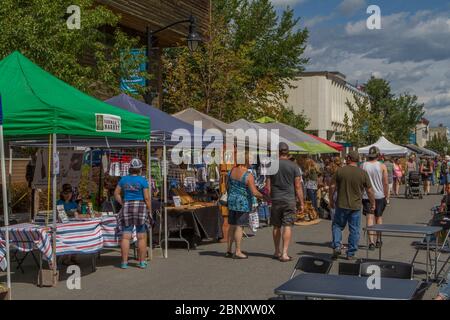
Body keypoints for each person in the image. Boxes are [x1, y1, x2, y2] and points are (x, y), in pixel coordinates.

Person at [329, 151, 375, 260]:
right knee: (354, 230)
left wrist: (331, 200)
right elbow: (369, 190)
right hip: (355, 206)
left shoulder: (340, 171)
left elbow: (332, 186)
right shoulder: (362, 173)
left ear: (349, 158)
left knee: (337, 226)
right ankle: (351, 253)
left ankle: (336, 246)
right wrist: (373, 202)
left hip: (341, 204)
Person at [266, 142, 304, 262]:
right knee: (287, 225)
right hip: (289, 199)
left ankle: (276, 251)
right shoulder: (294, 166)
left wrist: (269, 198)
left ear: (278, 151)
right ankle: (284, 253)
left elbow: (268, 186)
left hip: (276, 199)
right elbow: (298, 186)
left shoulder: (272, 165)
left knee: (276, 226)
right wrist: (302, 202)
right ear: (288, 152)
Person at [225, 153, 265, 259]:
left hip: (231, 200)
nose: (252, 162)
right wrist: (265, 197)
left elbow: (227, 186)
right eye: (251, 159)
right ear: (246, 160)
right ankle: (238, 251)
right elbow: (254, 192)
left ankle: (228, 250)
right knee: (239, 226)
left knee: (232, 225)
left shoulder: (231, 171)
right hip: (242, 203)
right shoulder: (248, 175)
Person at [114, 158, 152, 269]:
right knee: (141, 236)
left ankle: (124, 263)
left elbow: (116, 193)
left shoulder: (123, 180)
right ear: (140, 169)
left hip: (127, 206)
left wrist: (123, 203)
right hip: (140, 206)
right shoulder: (143, 180)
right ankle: (142, 262)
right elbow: (146, 197)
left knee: (126, 237)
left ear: (130, 168)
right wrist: (149, 210)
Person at [361, 147, 389, 251]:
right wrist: (386, 195)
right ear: (378, 155)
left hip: (366, 195)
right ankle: (378, 239)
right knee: (379, 217)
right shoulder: (382, 166)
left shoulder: (363, 165)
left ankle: (371, 242)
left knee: (369, 218)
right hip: (379, 195)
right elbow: (385, 182)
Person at [56, 184, 80, 266]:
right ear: (62, 194)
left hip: (73, 227)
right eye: (65, 193)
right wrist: (72, 213)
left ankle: (74, 256)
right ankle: (66, 259)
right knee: (68, 239)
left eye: (69, 193)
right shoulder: (59, 202)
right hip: (63, 228)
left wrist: (76, 212)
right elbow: (61, 215)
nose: (67, 195)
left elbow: (78, 214)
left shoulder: (74, 203)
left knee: (77, 238)